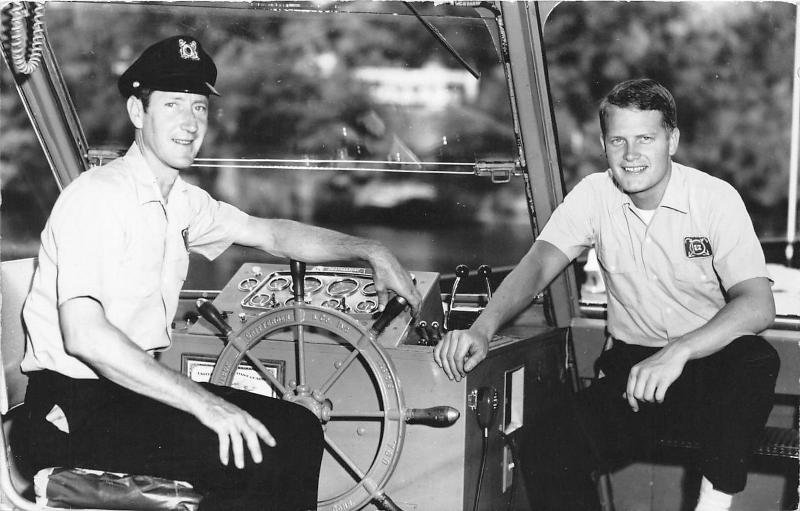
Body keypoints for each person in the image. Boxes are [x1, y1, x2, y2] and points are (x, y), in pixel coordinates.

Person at [20, 35, 423, 511]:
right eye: (173, 105)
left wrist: (371, 251)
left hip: (127, 396)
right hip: (69, 413)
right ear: (136, 113)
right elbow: (85, 336)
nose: (190, 123)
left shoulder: (182, 202)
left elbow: (272, 234)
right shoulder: (98, 197)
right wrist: (206, 403)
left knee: (294, 428)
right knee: (261, 452)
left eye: (199, 108)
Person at [434, 78, 778, 511]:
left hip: (704, 366)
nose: (631, 155)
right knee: (546, 446)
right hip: (633, 373)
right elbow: (538, 264)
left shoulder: (714, 200)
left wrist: (679, 352)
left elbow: (758, 305)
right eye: (619, 140)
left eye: (645, 139)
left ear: (672, 140)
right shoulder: (594, 196)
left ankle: (712, 506)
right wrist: (481, 329)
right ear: (603, 144)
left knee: (757, 358)